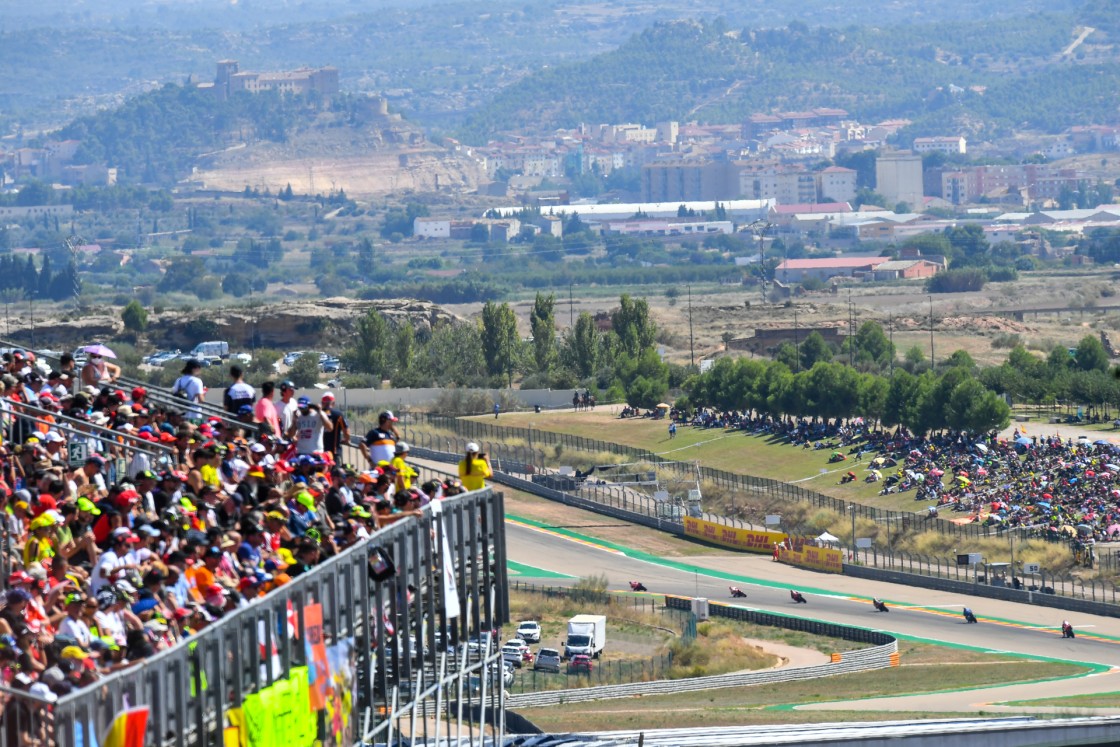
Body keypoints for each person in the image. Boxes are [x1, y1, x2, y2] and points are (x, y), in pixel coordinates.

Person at [320, 393, 350, 460]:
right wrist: (347, 440)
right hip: (334, 450)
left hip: (320, 449)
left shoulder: (317, 414)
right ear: (333, 403)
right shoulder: (338, 414)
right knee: (335, 469)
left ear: (322, 403)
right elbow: (346, 431)